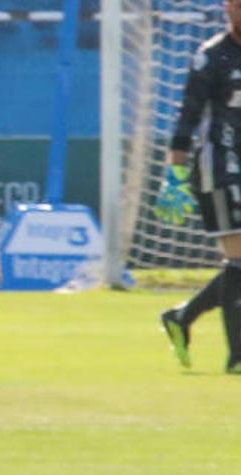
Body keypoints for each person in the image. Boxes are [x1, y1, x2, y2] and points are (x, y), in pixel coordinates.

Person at [154, 0, 241, 374]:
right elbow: (187, 116)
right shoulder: (212, 56)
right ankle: (237, 356)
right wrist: (173, 174)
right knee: (239, 260)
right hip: (219, 166)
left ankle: (182, 315)